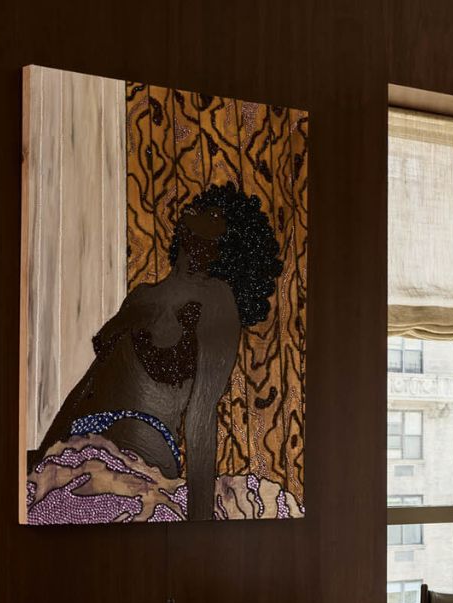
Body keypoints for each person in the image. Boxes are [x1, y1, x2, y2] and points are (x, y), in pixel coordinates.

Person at [29, 182, 283, 522]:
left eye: (215, 216)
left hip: (135, 466)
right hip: (71, 455)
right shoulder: (140, 296)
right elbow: (89, 385)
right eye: (200, 208)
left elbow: (201, 417)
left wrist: (199, 524)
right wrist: (43, 454)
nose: (197, 214)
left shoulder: (216, 302)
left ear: (228, 245)